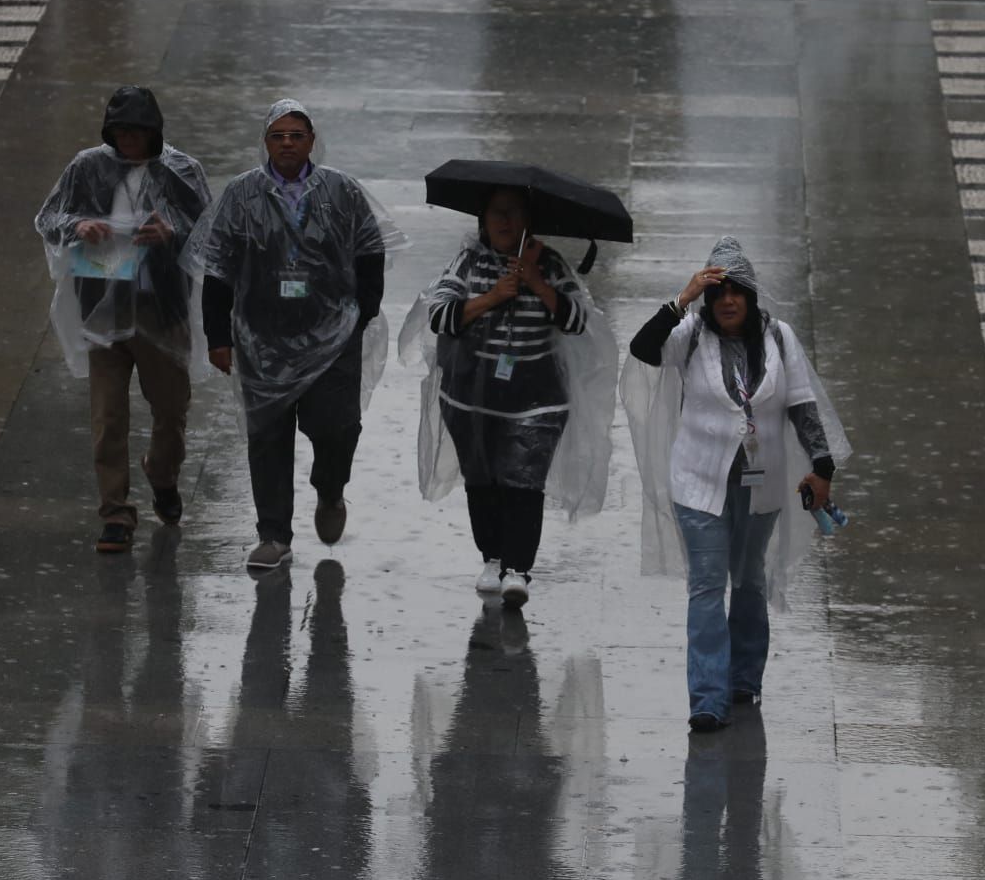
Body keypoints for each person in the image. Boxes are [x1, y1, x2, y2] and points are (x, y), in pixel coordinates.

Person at [623, 237, 847, 732]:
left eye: (737, 292)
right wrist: (682, 297)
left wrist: (822, 468)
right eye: (718, 291)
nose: (727, 301)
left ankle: (744, 679)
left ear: (750, 297)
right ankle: (707, 697)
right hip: (698, 483)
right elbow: (642, 348)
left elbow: (803, 409)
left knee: (747, 581)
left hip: (759, 484)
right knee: (706, 587)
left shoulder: (779, 338)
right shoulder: (689, 335)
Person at [194, 99, 405, 572]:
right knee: (267, 437)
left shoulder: (340, 191)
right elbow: (219, 267)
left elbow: (371, 251)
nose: (287, 143)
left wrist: (361, 314)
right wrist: (217, 335)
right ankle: (273, 534)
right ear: (265, 143)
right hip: (261, 338)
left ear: (312, 142)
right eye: (278, 136)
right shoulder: (242, 195)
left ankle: (330, 489)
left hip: (332, 339)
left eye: (296, 135)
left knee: (338, 427)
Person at [397, 187, 616, 607]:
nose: (504, 223)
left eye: (513, 215)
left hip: (538, 398)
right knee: (482, 482)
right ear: (484, 220)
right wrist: (493, 297)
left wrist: (535, 282)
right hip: (471, 398)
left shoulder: (550, 265)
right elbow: (440, 315)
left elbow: (576, 320)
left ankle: (518, 568)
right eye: (497, 214)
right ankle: (492, 557)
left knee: (524, 482)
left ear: (527, 222)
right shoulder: (468, 261)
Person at [34, 85, 211, 553]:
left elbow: (211, 234)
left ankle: (163, 473)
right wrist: (77, 226)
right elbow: (50, 216)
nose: (127, 140)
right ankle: (115, 512)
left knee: (171, 411)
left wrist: (171, 233)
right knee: (107, 417)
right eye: (119, 132)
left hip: (161, 311)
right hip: (102, 310)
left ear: (154, 132)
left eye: (136, 132)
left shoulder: (183, 171)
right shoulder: (87, 166)